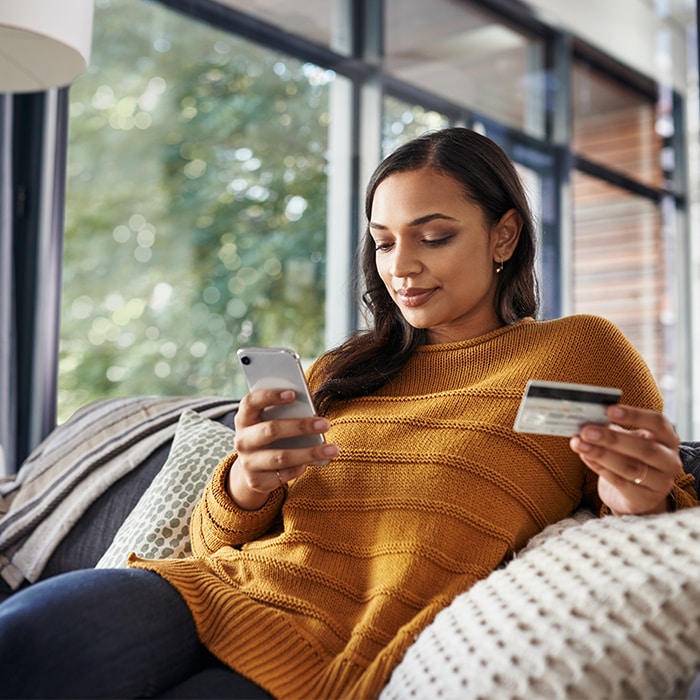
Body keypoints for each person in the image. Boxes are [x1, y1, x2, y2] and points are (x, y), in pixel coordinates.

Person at [0, 127, 697, 700]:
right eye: (385, 240)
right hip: (216, 590)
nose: (401, 267)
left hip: (344, 650)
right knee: (25, 638)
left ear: (504, 236)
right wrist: (247, 480)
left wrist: (636, 499)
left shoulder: (580, 350)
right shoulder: (338, 371)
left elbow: (650, 535)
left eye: (434, 236)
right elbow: (216, 546)